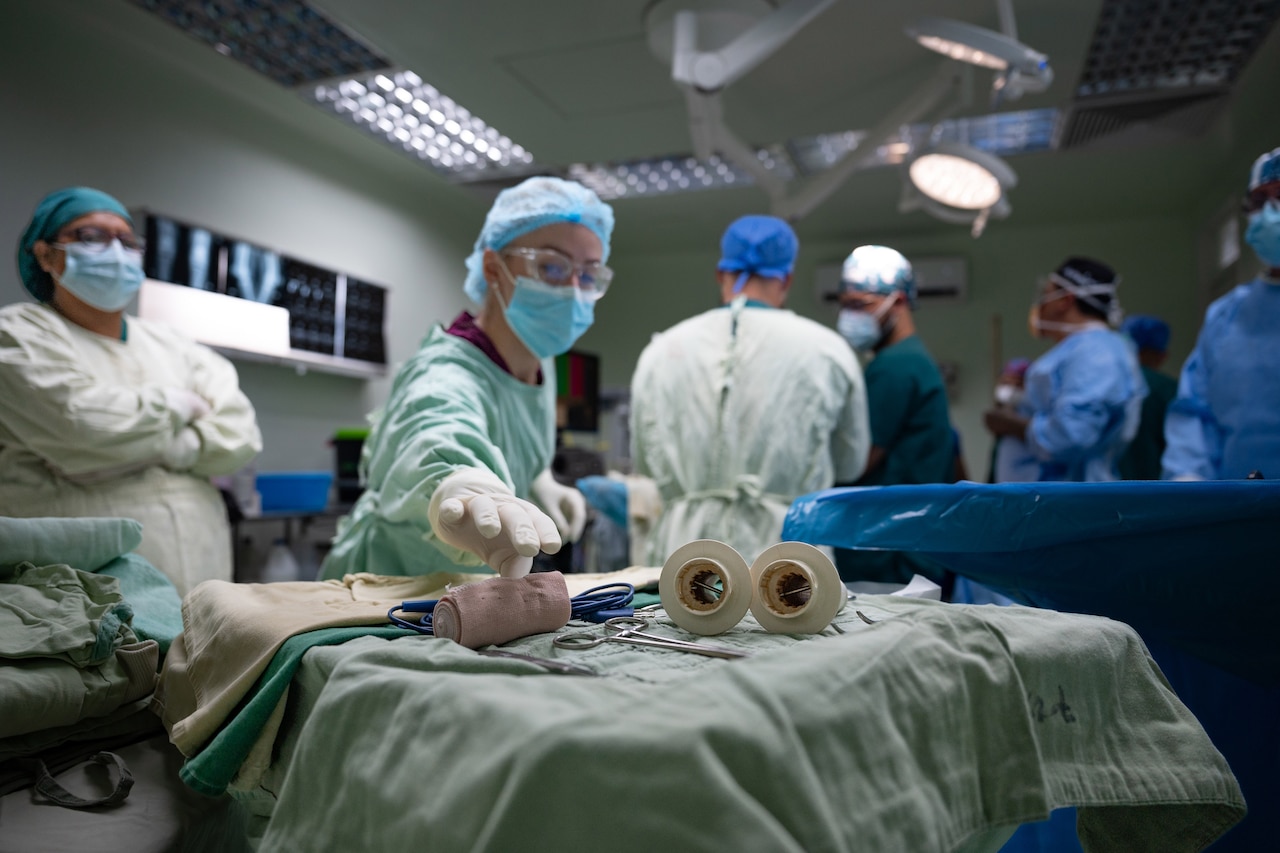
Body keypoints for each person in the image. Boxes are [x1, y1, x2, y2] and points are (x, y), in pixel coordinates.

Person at [320, 177, 613, 581]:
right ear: (494, 268)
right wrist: (461, 483)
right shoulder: (445, 371)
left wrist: (538, 479)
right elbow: (435, 428)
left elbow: (518, 438)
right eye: (551, 266)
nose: (572, 289)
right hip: (391, 584)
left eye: (588, 274)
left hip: (473, 588)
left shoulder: (539, 366)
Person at [0, 187, 262, 595]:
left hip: (204, 579)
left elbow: (240, 436)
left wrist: (171, 447)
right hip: (81, 593)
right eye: (91, 237)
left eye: (126, 240)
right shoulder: (17, 335)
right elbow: (83, 427)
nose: (116, 252)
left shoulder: (177, 346)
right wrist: (180, 405)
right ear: (46, 255)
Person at [629, 215, 869, 566]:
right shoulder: (828, 351)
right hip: (790, 560)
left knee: (683, 619)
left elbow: (645, 465)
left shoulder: (661, 352)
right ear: (786, 279)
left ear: (720, 274)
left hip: (685, 561)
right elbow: (850, 463)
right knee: (791, 616)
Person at [830, 245, 955, 587]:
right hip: (907, 544)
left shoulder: (896, 367)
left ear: (898, 301)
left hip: (888, 553)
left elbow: (858, 459)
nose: (849, 315)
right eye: (845, 304)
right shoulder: (911, 360)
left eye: (860, 304)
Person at [1163, 146, 1280, 481]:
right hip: (1239, 513)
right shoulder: (1227, 316)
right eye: (1259, 201)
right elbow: (1194, 415)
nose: (1270, 212)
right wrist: (1189, 487)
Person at [983, 257, 1145, 482]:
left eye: (1046, 294)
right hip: (1047, 502)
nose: (1041, 304)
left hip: (1067, 503)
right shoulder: (1084, 351)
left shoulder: (1096, 354)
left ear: (1064, 300)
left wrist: (1011, 425)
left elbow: (1073, 435)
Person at [1117, 315, 1177, 480]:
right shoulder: (1168, 390)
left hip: (1101, 492)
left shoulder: (1103, 385)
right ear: (1161, 354)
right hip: (1155, 493)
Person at [985, 357, 1040, 483]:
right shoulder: (999, 423)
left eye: (1018, 384)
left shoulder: (1039, 417)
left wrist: (1011, 423)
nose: (1010, 389)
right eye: (1005, 383)